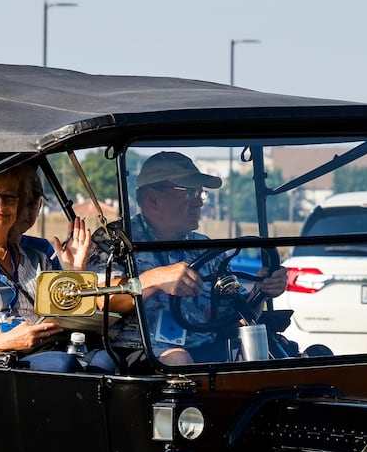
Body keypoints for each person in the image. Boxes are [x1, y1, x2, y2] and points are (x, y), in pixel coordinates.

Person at [108, 150, 288, 365]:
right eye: (190, 192)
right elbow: (98, 299)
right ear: (153, 198)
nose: (199, 203)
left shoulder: (203, 247)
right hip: (141, 354)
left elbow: (234, 317)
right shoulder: (115, 243)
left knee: (293, 357)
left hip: (207, 350)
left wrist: (262, 290)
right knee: (179, 360)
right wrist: (155, 280)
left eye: (200, 193)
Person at [0, 164, 112, 372]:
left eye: (10, 197)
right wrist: (7, 341)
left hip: (46, 348)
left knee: (108, 359)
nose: (0, 205)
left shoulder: (38, 257)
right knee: (63, 365)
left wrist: (74, 271)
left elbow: (66, 317)